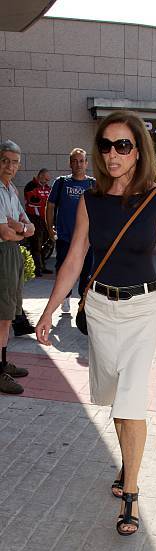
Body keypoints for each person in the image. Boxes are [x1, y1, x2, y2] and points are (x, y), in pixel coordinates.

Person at [36, 110, 156, 536]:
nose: (112, 154)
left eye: (122, 145)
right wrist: (51, 308)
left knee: (130, 400)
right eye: (106, 145)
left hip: (143, 310)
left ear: (138, 150)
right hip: (103, 312)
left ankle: (131, 495)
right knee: (113, 395)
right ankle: (129, 459)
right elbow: (74, 260)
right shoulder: (91, 201)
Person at [0, 140, 35, 394]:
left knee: (8, 313)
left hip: (12, 253)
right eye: (5, 160)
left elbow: (28, 225)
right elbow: (4, 231)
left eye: (14, 162)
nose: (10, 166)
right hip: (2, 253)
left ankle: (2, 362)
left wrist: (19, 227)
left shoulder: (10, 189)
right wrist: (18, 229)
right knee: (2, 316)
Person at [46, 149, 95, 313]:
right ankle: (65, 298)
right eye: (75, 161)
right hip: (65, 237)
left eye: (81, 161)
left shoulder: (93, 185)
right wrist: (50, 228)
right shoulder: (61, 183)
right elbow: (50, 206)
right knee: (63, 269)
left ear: (86, 163)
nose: (78, 164)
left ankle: (83, 301)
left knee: (87, 272)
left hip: (87, 240)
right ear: (70, 163)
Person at [24, 168, 53, 277]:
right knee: (36, 244)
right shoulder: (31, 185)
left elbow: (50, 201)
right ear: (40, 176)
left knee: (47, 243)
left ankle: (43, 265)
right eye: (45, 179)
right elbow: (36, 200)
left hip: (45, 219)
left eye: (48, 180)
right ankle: (37, 268)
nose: (46, 182)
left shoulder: (47, 187)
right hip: (34, 219)